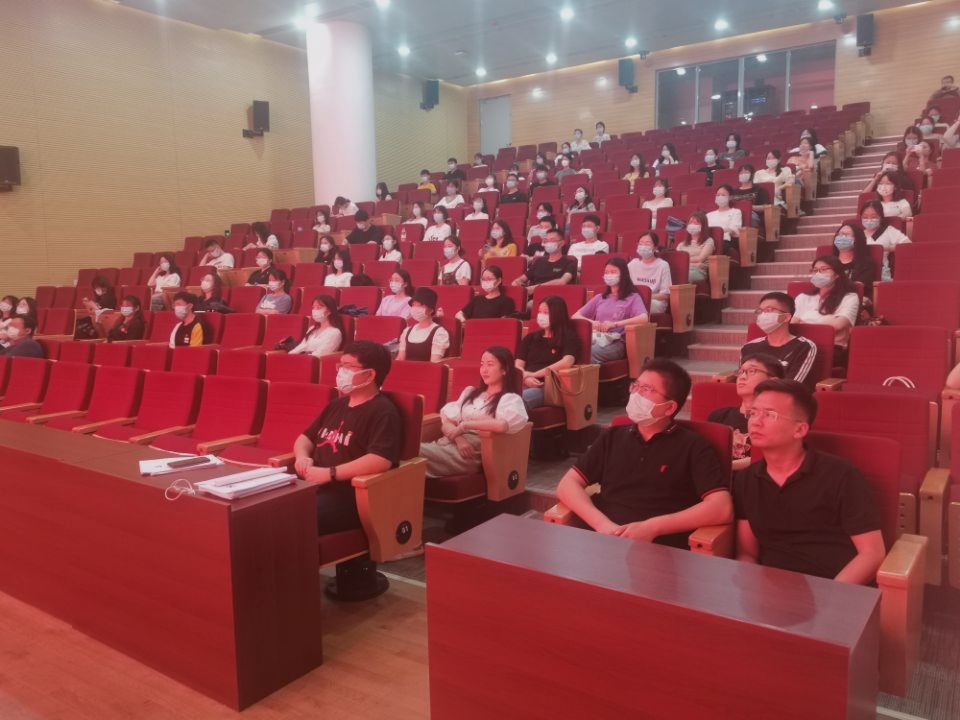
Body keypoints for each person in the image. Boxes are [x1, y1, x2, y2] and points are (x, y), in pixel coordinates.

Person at [556, 359, 733, 547]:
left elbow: (722, 508)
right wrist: (603, 525)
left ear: (669, 407)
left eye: (646, 389)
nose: (636, 394)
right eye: (636, 386)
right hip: (603, 538)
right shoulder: (613, 436)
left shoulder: (694, 446)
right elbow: (567, 484)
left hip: (659, 548)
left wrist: (653, 527)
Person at [733, 379, 885, 584]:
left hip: (834, 586)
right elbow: (747, 553)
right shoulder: (746, 479)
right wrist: (750, 588)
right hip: (770, 588)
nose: (756, 422)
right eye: (753, 413)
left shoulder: (841, 476)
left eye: (769, 415)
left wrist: (832, 595)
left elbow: (872, 553)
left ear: (800, 430)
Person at [293, 340, 402, 594]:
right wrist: (302, 457)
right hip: (315, 484)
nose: (340, 371)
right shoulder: (337, 405)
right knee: (264, 507)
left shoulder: (383, 411)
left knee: (290, 516)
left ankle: (295, 594)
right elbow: (305, 438)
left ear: (370, 374)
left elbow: (380, 459)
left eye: (348, 366)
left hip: (349, 496)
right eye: (340, 365)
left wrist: (329, 474)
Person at [420, 346, 528, 478]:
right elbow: (447, 422)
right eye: (482, 364)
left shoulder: (509, 399)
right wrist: (459, 439)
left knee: (413, 453)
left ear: (505, 369)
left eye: (490, 364)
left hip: (472, 452)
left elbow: (502, 425)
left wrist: (466, 425)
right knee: (409, 453)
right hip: (451, 443)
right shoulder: (470, 393)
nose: (484, 370)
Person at [707, 354, 785, 468]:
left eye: (751, 371)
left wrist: (725, 467)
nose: (742, 377)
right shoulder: (718, 416)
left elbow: (770, 460)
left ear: (773, 381)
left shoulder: (778, 419)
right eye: (741, 372)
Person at [573, 257, 649, 363]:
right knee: (572, 350)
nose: (609, 275)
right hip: (597, 337)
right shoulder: (600, 297)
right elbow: (575, 316)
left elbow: (644, 318)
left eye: (613, 272)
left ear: (623, 274)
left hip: (617, 342)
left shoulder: (633, 297)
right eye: (606, 272)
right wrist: (592, 322)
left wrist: (614, 324)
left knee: (587, 352)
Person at [740, 292, 818, 387]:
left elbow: (791, 385)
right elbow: (742, 381)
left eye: (769, 310)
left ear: (786, 317)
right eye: (760, 311)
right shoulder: (749, 347)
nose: (763, 315)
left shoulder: (804, 346)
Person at [515, 295, 580, 409]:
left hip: (547, 386)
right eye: (539, 312)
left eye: (546, 312)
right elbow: (518, 365)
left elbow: (567, 361)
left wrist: (534, 375)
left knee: (515, 401)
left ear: (557, 314)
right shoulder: (530, 337)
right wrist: (525, 377)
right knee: (496, 397)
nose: (541, 316)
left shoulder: (569, 337)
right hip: (525, 381)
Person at [793, 256, 859, 362]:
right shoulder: (803, 297)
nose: (818, 274)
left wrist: (807, 318)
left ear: (837, 274)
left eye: (824, 269)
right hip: (801, 345)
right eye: (815, 270)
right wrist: (828, 319)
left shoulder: (849, 297)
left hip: (831, 348)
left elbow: (837, 325)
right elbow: (792, 324)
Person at [513, 228, 577, 298]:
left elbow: (562, 281)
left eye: (552, 240)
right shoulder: (539, 261)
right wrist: (517, 282)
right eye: (546, 240)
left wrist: (535, 288)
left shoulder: (569, 263)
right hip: (533, 297)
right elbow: (522, 278)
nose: (548, 243)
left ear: (562, 243)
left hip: (553, 298)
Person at [860, 199, 910, 281]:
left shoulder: (888, 231)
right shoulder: (857, 233)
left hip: (881, 275)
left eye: (873, 217)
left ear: (881, 217)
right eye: (865, 217)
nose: (869, 220)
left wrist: (887, 248)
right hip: (859, 273)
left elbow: (908, 245)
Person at [397, 288, 450, 362]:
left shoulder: (439, 333)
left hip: (426, 369)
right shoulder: (407, 331)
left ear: (431, 310)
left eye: (420, 305)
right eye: (413, 304)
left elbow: (434, 363)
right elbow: (400, 359)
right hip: (405, 368)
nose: (415, 308)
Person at [627, 231, 672, 315]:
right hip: (635, 299)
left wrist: (645, 296)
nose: (643, 246)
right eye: (641, 243)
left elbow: (665, 295)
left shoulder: (663, 265)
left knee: (639, 304)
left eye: (647, 243)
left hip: (655, 301)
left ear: (655, 247)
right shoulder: (632, 264)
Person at [831, 222, 876, 297]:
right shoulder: (828, 262)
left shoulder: (866, 264)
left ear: (857, 239)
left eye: (847, 234)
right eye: (840, 234)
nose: (842, 237)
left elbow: (859, 288)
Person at [676, 211, 714, 284]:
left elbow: (700, 259)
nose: (692, 225)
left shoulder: (708, 241)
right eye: (690, 222)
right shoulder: (681, 244)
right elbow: (677, 261)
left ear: (703, 226)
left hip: (698, 271)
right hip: (682, 269)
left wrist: (685, 262)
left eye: (696, 223)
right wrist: (693, 264)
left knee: (682, 276)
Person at [707, 184, 743, 251]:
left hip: (726, 241)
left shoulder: (735, 212)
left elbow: (734, 231)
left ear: (730, 197)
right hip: (708, 241)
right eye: (718, 195)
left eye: (723, 195)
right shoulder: (709, 215)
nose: (720, 197)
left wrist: (719, 231)